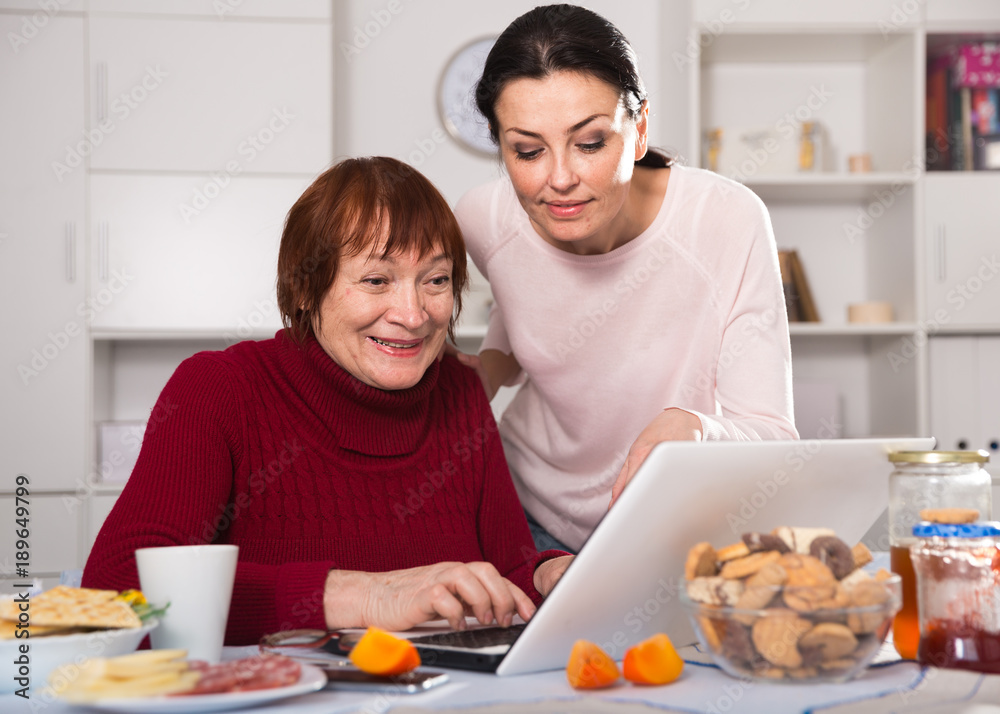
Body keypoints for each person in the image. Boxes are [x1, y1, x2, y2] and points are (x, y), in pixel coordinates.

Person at [83, 156, 571, 646]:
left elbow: (509, 569)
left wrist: (551, 576)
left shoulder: (459, 391)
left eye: (436, 280)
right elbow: (115, 592)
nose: (413, 314)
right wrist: (362, 596)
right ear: (304, 290)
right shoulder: (218, 390)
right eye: (376, 280)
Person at [454, 4, 798, 554]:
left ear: (637, 130)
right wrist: (493, 366)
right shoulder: (483, 220)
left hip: (675, 531)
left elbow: (771, 434)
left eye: (590, 143)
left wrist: (695, 427)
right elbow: (526, 300)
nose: (560, 179)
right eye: (527, 150)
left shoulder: (724, 220)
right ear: (500, 146)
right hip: (528, 519)